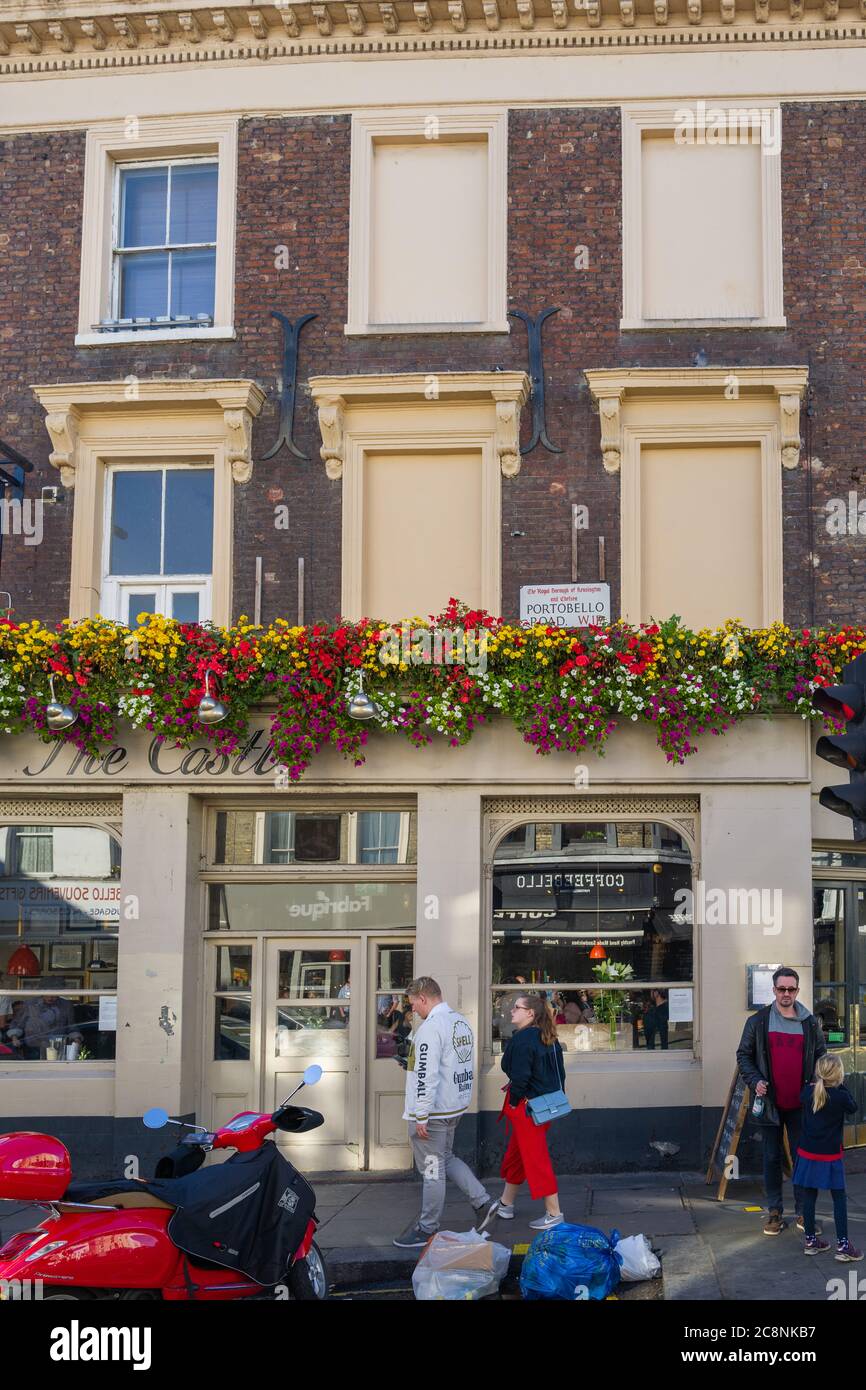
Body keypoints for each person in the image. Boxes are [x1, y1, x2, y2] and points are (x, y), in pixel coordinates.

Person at [393, 975, 496, 1248]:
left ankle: (427, 1228)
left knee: (431, 1170)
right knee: (446, 1158)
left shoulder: (431, 1028)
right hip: (454, 1107)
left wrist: (422, 1115)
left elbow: (427, 1073)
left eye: (414, 1003)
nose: (412, 1009)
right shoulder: (460, 1021)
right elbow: (449, 1064)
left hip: (432, 1114)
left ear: (424, 998)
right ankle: (483, 1201)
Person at [736, 966, 827, 1236]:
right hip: (771, 1103)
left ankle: (803, 1212)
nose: (786, 993)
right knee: (772, 1157)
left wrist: (815, 1082)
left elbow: (821, 1057)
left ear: (797, 991)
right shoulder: (759, 1021)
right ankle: (774, 1212)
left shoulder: (810, 1022)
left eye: (791, 989)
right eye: (781, 989)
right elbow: (743, 1056)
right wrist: (755, 1081)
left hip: (802, 1104)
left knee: (803, 1158)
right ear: (773, 990)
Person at [491, 993, 565, 1231]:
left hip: (526, 1108)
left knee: (536, 1159)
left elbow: (520, 1077)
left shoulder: (522, 1040)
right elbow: (560, 1076)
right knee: (518, 1155)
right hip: (544, 1108)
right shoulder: (549, 1038)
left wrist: (513, 1102)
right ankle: (506, 1204)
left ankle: (554, 1213)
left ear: (530, 1013)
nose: (512, 1011)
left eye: (517, 1008)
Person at [794, 1054, 862, 1261]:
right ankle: (843, 1246)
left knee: (809, 1196)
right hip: (830, 1156)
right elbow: (853, 1107)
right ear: (838, 1074)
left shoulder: (807, 1092)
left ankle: (810, 1241)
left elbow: (801, 1097)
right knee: (839, 1198)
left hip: (807, 1152)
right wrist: (841, 1086)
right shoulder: (840, 1097)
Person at [6, 994, 82, 1060]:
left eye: (54, 996)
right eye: (47, 995)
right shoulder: (30, 1004)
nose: (50, 998)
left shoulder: (66, 1005)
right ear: (42, 992)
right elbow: (17, 1023)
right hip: (33, 1046)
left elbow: (71, 1025)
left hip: (57, 1046)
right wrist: (14, 1037)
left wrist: (76, 1039)